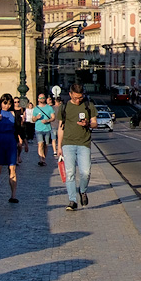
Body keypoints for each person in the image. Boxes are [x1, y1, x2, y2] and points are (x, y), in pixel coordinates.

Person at [55, 83, 95, 211]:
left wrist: (88, 123)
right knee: (70, 173)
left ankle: (82, 191)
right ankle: (72, 200)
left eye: (80, 97)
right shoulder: (64, 107)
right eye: (76, 97)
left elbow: (95, 123)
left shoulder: (89, 105)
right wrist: (58, 146)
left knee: (85, 172)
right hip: (68, 143)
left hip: (84, 143)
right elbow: (60, 128)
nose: (78, 100)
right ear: (70, 94)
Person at [0, 94, 22, 203]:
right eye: (5, 103)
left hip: (10, 142)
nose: (7, 106)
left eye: (9, 103)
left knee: (12, 169)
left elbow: (18, 129)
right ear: (1, 102)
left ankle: (13, 195)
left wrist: (22, 141)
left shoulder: (15, 114)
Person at [33, 92, 56, 166]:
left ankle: (44, 158)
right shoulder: (36, 109)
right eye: (40, 98)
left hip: (47, 129)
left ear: (45, 99)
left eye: (43, 98)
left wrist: (47, 120)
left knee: (46, 145)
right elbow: (33, 119)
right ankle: (41, 159)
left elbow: (53, 118)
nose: (42, 99)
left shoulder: (49, 108)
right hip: (38, 129)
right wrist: (36, 118)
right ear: (38, 99)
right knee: (40, 143)